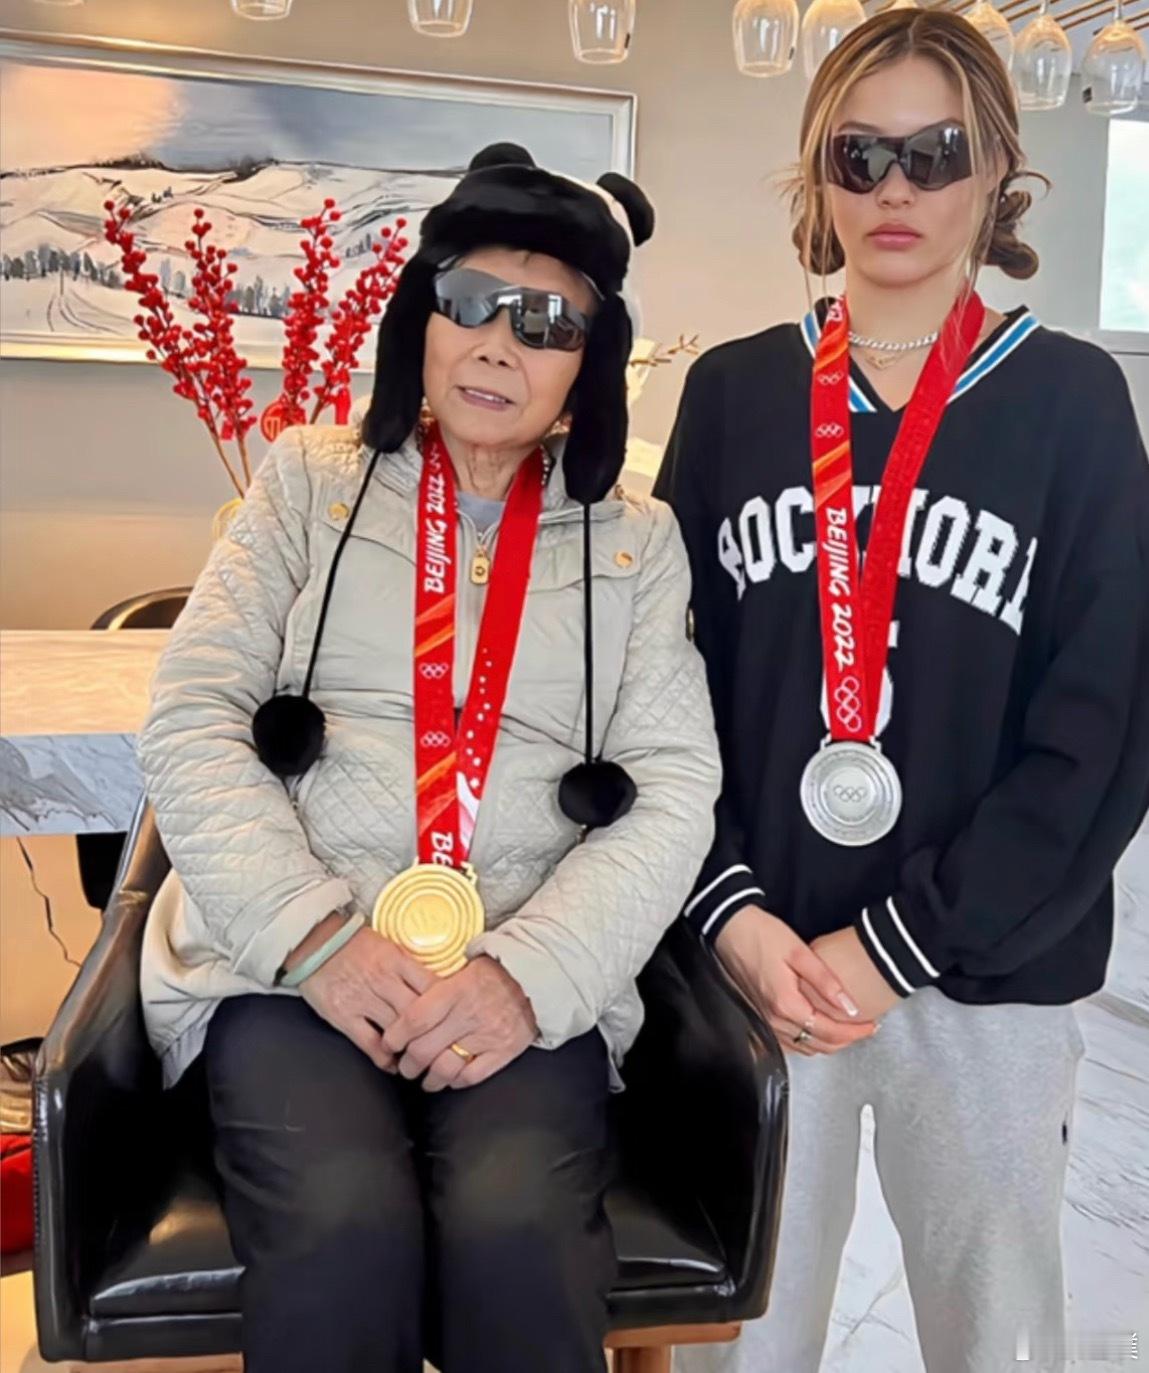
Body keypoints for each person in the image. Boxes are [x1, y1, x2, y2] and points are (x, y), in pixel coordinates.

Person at [135, 143, 721, 1373]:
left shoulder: (637, 539)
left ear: (589, 363)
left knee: (518, 1230)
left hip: (521, 974)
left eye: (548, 320)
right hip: (288, 967)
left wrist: (526, 973)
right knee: (341, 1221)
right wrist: (317, 936)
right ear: (422, 318)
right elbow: (192, 717)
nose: (501, 343)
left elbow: (671, 789)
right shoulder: (307, 482)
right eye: (472, 301)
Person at [656, 12, 1149, 1373]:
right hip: (758, 963)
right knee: (739, 1345)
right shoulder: (735, 394)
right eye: (858, 154)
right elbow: (656, 692)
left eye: (933, 153)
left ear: (996, 173)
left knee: (997, 1344)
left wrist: (899, 942)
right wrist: (733, 913)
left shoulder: (1072, 403)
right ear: (816, 177)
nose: (894, 188)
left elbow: (1101, 733)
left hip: (986, 974)